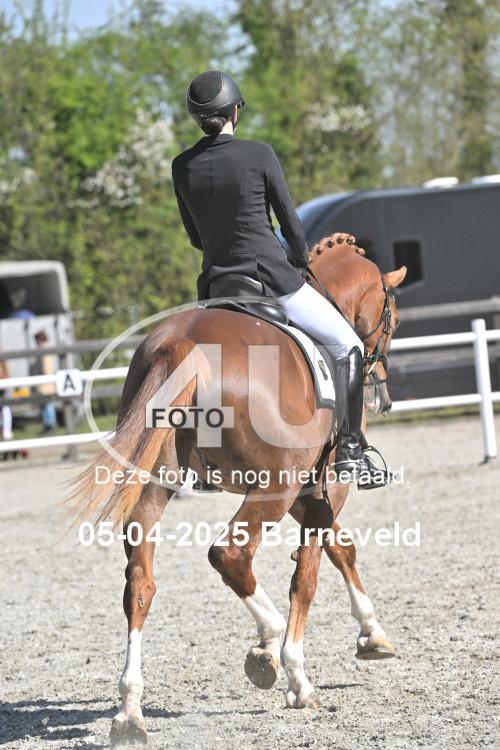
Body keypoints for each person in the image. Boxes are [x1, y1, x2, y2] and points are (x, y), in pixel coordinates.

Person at [172, 70, 386, 487]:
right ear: (235, 111)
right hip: (271, 278)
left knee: (207, 360)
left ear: (198, 118)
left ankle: (205, 463)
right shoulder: (259, 154)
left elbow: (195, 237)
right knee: (348, 345)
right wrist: (298, 259)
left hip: (217, 287)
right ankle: (351, 452)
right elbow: (290, 222)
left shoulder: (182, 166)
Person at [33, 330, 57, 434]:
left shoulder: (43, 350)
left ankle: (50, 426)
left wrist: (45, 378)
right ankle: (48, 425)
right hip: (45, 381)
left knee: (47, 404)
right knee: (45, 404)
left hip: (45, 381)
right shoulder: (44, 349)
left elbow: (46, 367)